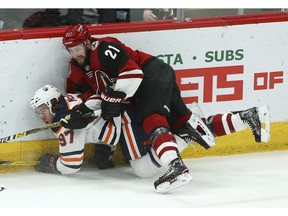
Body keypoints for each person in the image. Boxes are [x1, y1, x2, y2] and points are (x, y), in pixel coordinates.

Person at [60, 24, 271, 193]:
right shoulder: (79, 67)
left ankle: (176, 167)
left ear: (88, 42)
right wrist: (82, 111)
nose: (75, 53)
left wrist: (112, 98)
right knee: (185, 125)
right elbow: (90, 93)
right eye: (70, 50)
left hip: (151, 76)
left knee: (151, 118)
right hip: (153, 80)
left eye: (78, 48)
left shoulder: (105, 48)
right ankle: (248, 117)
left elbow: (133, 74)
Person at [30, 84, 121, 174]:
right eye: (38, 112)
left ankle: (107, 144)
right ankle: (105, 145)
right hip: (116, 116)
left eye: (43, 111)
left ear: (53, 105)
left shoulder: (66, 125)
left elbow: (70, 166)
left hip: (120, 130)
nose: (41, 117)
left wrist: (51, 163)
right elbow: (96, 97)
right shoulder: (66, 100)